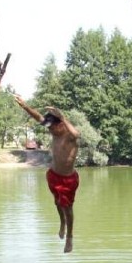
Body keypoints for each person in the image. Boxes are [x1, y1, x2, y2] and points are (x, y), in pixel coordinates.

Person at [13, 94, 81, 253]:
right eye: (49, 126)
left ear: (61, 124)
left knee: (68, 207)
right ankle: (62, 223)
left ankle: (70, 237)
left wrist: (63, 117)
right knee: (58, 204)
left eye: (53, 126)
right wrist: (24, 105)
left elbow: (77, 134)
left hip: (68, 179)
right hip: (53, 175)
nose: (50, 128)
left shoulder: (70, 136)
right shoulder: (54, 131)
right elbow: (39, 117)